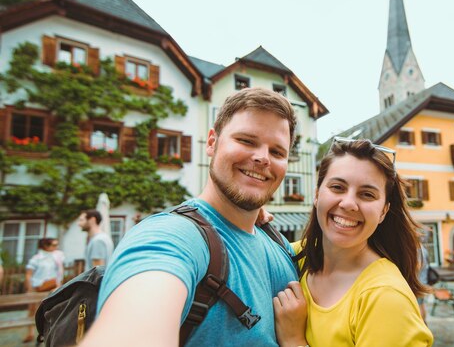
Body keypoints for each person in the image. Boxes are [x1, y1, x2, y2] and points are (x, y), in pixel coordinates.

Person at [80, 87, 299, 346]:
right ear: (211, 143)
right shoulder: (172, 236)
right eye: (246, 141)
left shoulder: (277, 242)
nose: (263, 158)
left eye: (277, 152)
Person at [272, 138, 433, 347]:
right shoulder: (291, 256)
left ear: (384, 211)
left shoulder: (386, 297)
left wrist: (294, 341)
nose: (348, 204)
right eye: (338, 187)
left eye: (367, 194)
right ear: (317, 194)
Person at [23, 238, 64, 343]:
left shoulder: (57, 257)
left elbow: (59, 272)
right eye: (54, 245)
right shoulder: (36, 259)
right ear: (45, 246)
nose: (56, 247)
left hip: (52, 287)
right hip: (37, 287)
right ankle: (30, 333)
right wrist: (29, 288)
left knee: (51, 310)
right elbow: (29, 274)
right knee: (33, 310)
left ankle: (48, 332)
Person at [417, 237, 430, 323]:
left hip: (419, 282)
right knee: (421, 304)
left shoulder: (418, 250)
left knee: (419, 304)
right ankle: (424, 323)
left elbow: (418, 267)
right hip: (424, 281)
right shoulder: (424, 250)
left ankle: (422, 323)